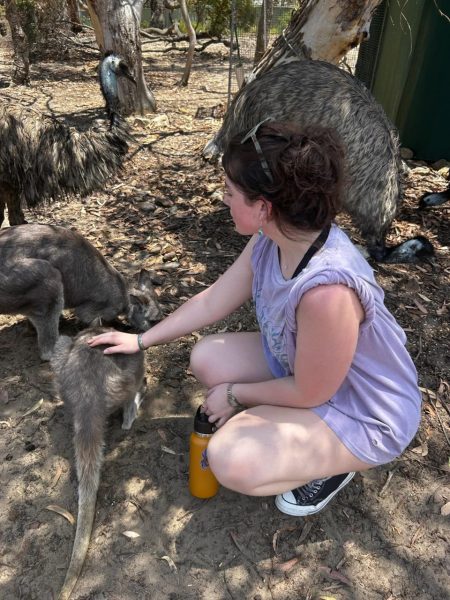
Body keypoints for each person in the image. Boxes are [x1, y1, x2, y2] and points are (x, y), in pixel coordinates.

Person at [88, 120, 422, 517]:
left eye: (230, 193)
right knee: (207, 358)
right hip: (309, 370)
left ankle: (336, 465)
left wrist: (235, 394)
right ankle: (290, 436)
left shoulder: (327, 292)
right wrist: (141, 340)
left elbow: (310, 393)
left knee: (230, 459)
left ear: (263, 207)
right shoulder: (274, 236)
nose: (223, 198)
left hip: (364, 408)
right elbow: (214, 301)